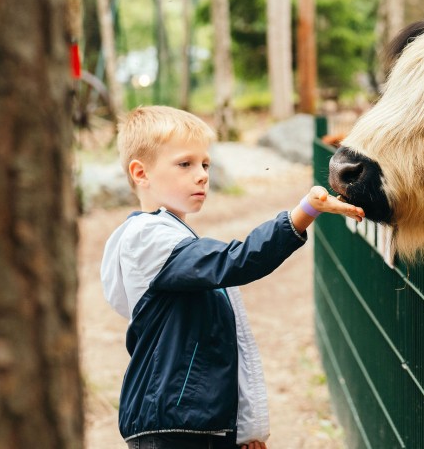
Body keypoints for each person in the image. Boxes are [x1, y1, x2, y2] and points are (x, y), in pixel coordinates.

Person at [100, 106, 365, 449]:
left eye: (205, 164)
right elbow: (235, 261)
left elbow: (222, 345)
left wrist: (243, 429)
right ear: (141, 173)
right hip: (174, 427)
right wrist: (304, 212)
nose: (202, 175)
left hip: (195, 425)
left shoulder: (174, 239)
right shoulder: (147, 239)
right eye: (185, 164)